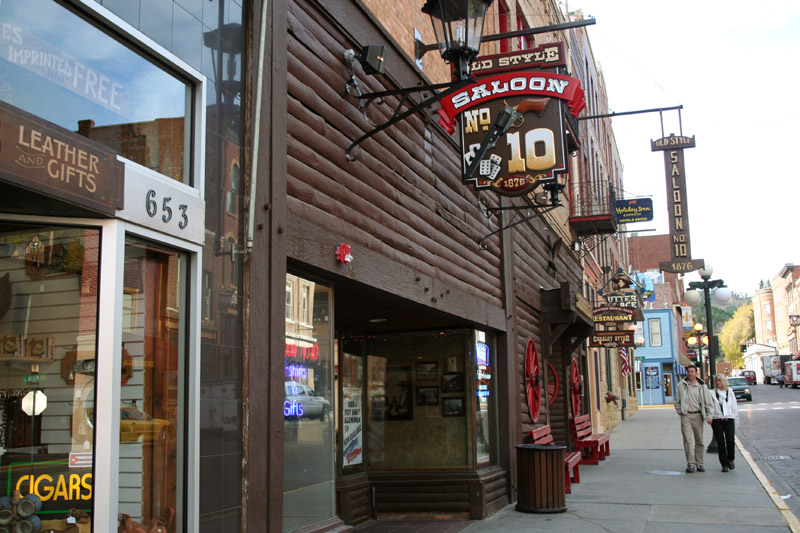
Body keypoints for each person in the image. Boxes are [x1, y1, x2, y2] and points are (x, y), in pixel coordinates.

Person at [674, 364, 714, 473]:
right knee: (687, 440)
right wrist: (680, 410)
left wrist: (709, 416)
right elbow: (676, 401)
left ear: (696, 373)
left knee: (699, 440)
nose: (690, 373)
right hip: (686, 415)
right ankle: (691, 463)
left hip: (698, 416)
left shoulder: (702, 387)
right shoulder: (681, 386)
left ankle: (699, 463)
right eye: (689, 372)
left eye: (692, 372)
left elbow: (708, 403)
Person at [711, 373, 739, 472]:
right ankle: (724, 464)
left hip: (729, 418)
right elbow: (710, 406)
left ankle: (731, 459)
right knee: (720, 442)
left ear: (723, 382)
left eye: (719, 381)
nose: (718, 383)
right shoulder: (712, 393)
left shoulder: (730, 392)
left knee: (730, 440)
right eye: (716, 381)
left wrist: (735, 417)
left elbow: (734, 406)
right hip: (717, 419)